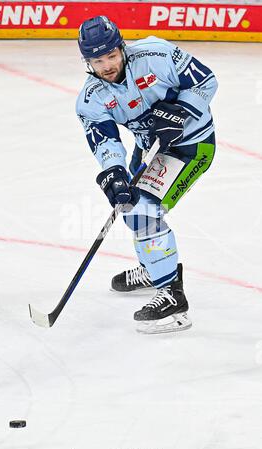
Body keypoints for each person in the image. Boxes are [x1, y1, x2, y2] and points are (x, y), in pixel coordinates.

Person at [76, 16, 217, 334]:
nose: (107, 65)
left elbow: (206, 81)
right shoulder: (90, 98)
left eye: (111, 55)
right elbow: (105, 140)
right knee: (130, 207)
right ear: (87, 61)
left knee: (144, 213)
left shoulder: (156, 54)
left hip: (192, 146)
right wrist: (114, 173)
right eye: (98, 60)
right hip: (150, 149)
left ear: (121, 47)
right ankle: (155, 269)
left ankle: (173, 300)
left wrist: (181, 110)